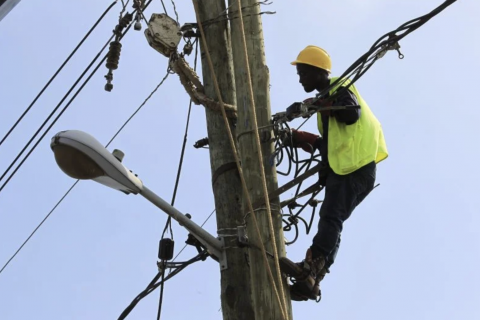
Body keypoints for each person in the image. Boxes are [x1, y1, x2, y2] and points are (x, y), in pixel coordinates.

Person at [279, 45, 388, 301]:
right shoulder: (329, 100)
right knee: (334, 219)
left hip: (355, 166)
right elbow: (330, 143)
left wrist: (313, 104)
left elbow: (350, 115)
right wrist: (300, 138)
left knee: (330, 216)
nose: (300, 79)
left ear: (319, 72)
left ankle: (311, 265)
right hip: (356, 169)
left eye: (303, 73)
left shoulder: (340, 86)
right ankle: (313, 279)